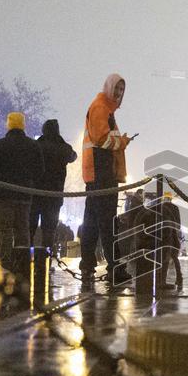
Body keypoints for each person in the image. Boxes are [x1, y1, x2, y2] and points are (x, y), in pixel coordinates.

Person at [79, 74, 131, 284]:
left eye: (121, 90)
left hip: (95, 174)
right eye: (117, 89)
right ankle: (115, 268)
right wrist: (123, 142)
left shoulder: (103, 108)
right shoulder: (101, 108)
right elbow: (102, 140)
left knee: (91, 223)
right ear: (109, 88)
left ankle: (87, 266)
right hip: (102, 173)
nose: (118, 94)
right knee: (108, 224)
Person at [0, 112, 45, 266]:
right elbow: (40, 170)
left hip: (3, 196)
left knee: (4, 231)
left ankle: (5, 262)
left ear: (9, 125)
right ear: (23, 125)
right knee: (22, 229)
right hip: (24, 196)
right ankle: (22, 262)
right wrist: (31, 186)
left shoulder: (0, 145)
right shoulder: (33, 145)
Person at [31, 119, 77, 254]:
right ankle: (46, 259)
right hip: (54, 195)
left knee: (30, 228)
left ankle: (26, 259)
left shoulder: (36, 145)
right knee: (49, 230)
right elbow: (73, 156)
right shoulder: (63, 147)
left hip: (35, 193)